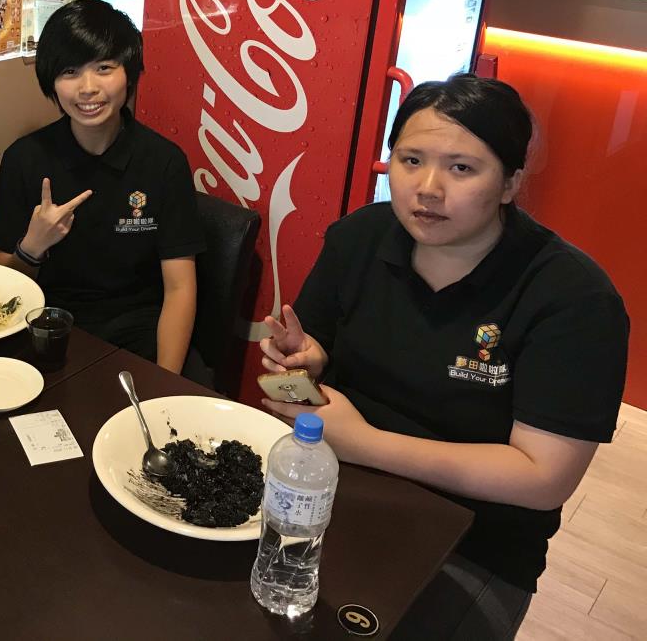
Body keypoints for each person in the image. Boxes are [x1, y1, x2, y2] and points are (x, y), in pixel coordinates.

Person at [260, 74, 628, 640]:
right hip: (334, 496)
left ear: (510, 183)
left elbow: (544, 477)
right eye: (411, 160)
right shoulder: (360, 236)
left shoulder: (573, 298)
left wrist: (366, 444)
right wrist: (310, 362)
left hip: (474, 548)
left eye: (461, 168)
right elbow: (320, 352)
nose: (428, 189)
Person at [0, 0, 205, 374]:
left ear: (129, 75)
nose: (88, 88)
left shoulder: (164, 162)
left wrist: (164, 381)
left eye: (104, 68)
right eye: (70, 71)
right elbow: (5, 289)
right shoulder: (24, 159)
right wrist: (33, 246)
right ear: (52, 82)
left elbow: (179, 289)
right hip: (48, 325)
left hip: (139, 331)